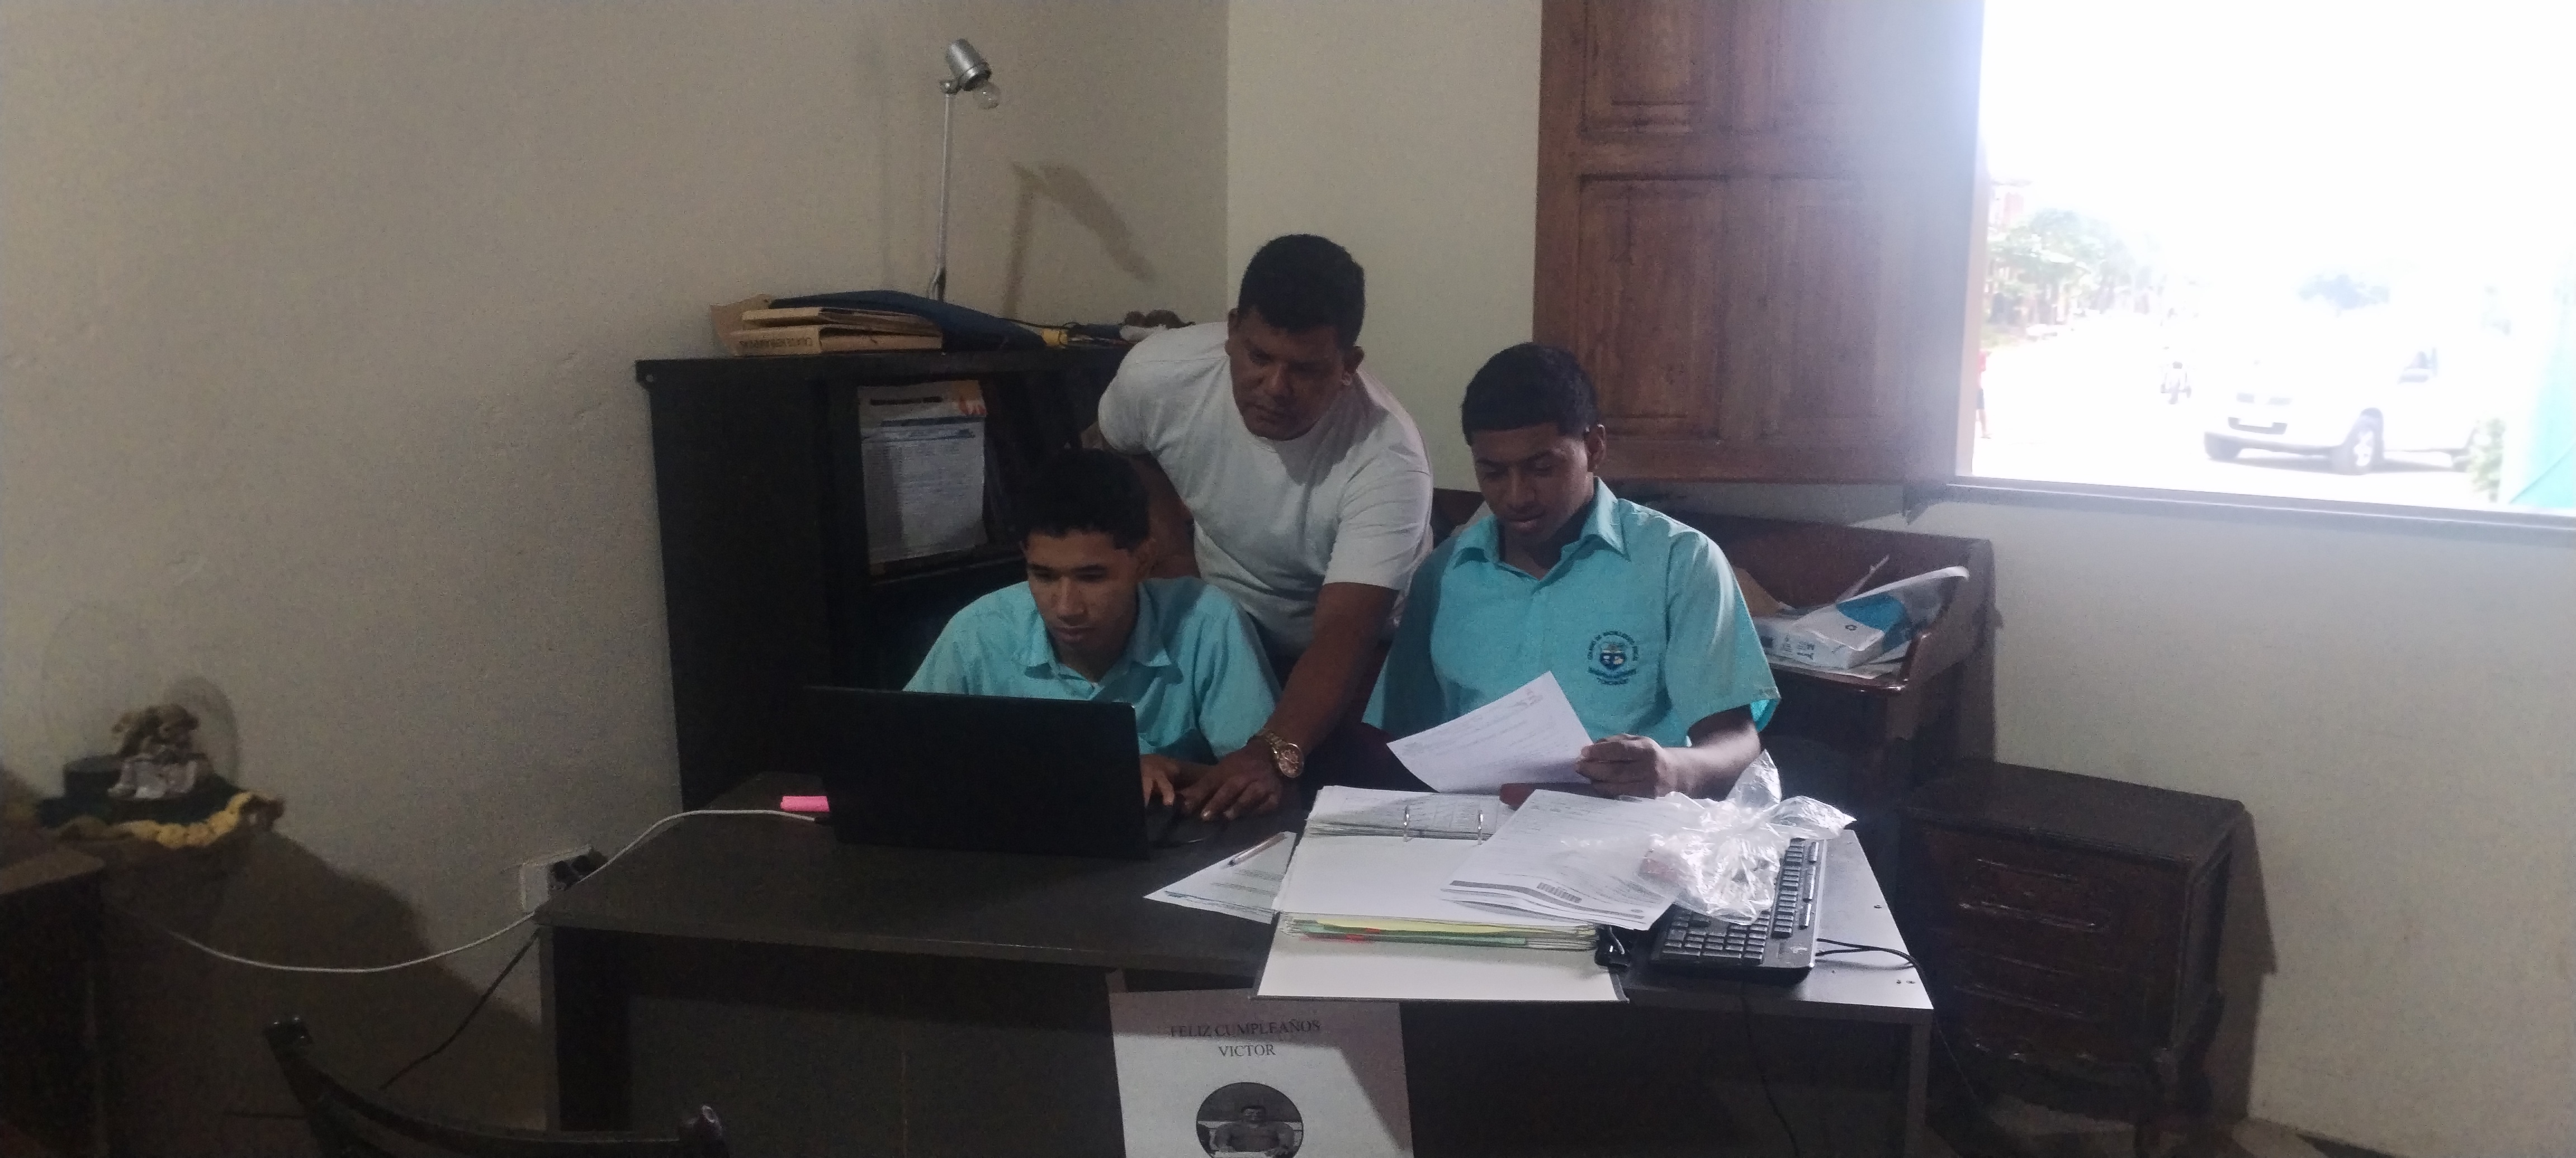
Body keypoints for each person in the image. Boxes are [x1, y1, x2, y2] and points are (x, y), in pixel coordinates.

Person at [1097, 235, 1434, 819]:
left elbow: (1345, 630)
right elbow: (1126, 448)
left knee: (1321, 801)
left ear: (1349, 365)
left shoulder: (1389, 458)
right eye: (1258, 357)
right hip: (1222, 628)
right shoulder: (1157, 375)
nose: (1276, 387)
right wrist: (1175, 561)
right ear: (1231, 331)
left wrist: (1273, 751)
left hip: (1352, 653)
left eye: (1305, 369)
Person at [1370, 344, 1778, 800]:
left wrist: (1673, 770)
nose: (1516, 496)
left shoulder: (1680, 562)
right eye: (1493, 473)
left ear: (1595, 447)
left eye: (1541, 468)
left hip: (1624, 826)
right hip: (1476, 823)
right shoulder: (1445, 574)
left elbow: (1737, 741)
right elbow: (1406, 735)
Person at [906, 449, 1278, 806]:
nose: (1066, 607)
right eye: (1044, 576)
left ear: (1143, 561)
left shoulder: (1206, 622)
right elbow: (904, 762)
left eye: (1092, 577)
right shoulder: (978, 633)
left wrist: (1173, 771)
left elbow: (1263, 781)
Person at [1209, 1105, 1294, 1157]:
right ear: (1241, 1114)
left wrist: (1283, 1148)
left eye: (1259, 1113)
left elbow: (1286, 1141)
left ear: (1265, 1114)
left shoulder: (1279, 1126)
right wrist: (1224, 1147)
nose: (1255, 1115)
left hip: (1268, 1156)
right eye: (1250, 1113)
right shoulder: (1228, 1127)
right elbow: (1222, 1141)